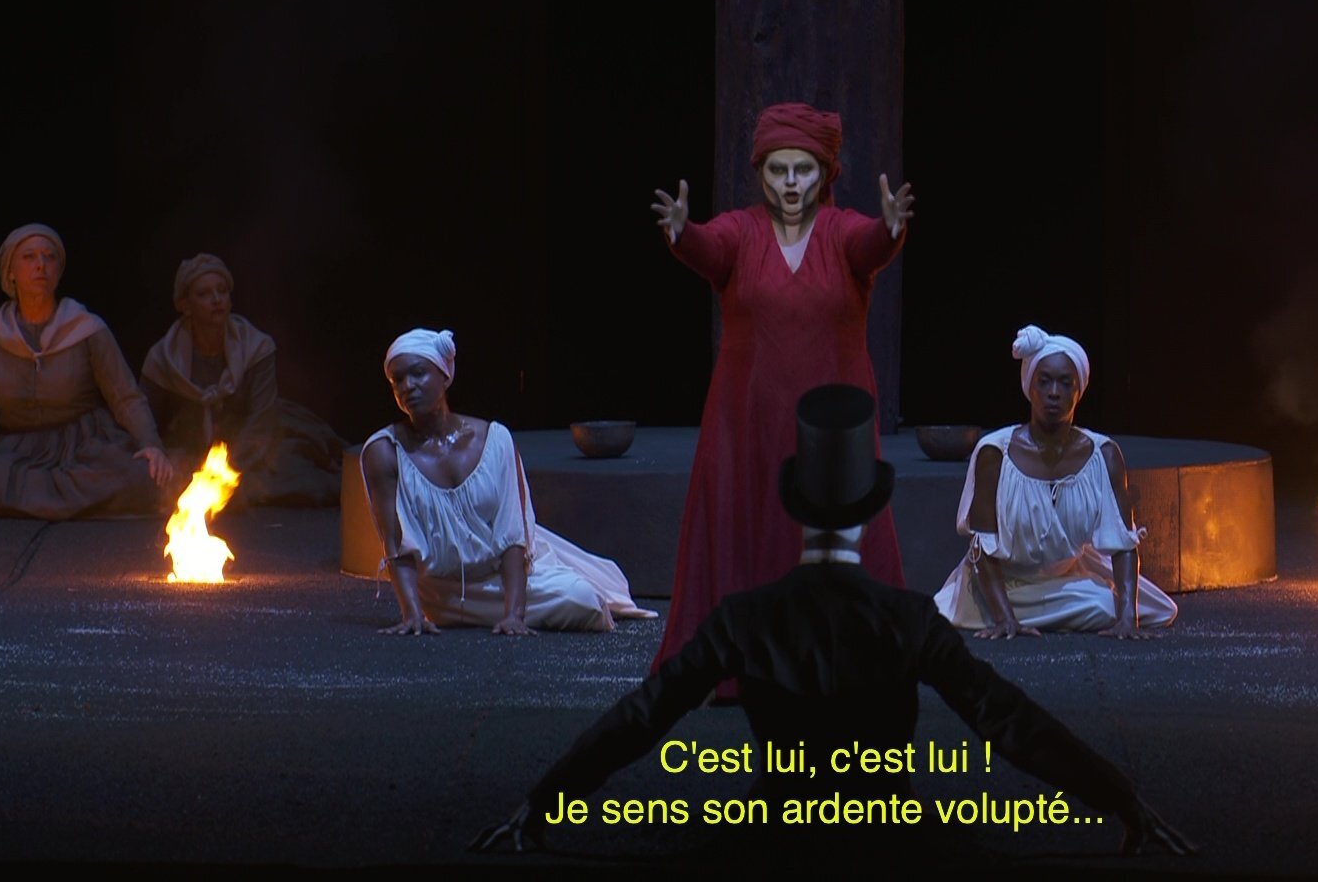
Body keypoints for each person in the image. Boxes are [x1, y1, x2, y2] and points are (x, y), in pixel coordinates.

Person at [469, 384, 1198, 861]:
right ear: (871, 510)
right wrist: (1119, 798)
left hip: (773, 842)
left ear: (796, 508)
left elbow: (644, 715)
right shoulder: (906, 618)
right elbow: (1007, 719)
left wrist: (543, 800)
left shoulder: (746, 617)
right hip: (889, 844)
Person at [649, 101, 913, 679]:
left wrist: (889, 230)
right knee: (749, 524)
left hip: (830, 423)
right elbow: (709, 249)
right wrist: (683, 234)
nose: (791, 183)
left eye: (803, 170)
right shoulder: (741, 231)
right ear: (760, 172)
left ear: (826, 173)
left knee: (832, 531)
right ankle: (743, 658)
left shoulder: (841, 232)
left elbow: (869, 245)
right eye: (778, 170)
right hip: (748, 418)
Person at [360, 328, 655, 635]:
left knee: (584, 600)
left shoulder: (493, 439)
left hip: (499, 577)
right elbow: (395, 541)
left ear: (444, 376)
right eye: (397, 380)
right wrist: (412, 614)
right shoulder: (384, 451)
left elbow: (512, 532)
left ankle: (514, 603)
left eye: (418, 373)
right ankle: (473, 611)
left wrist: (514, 614)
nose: (408, 386)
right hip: (442, 594)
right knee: (578, 601)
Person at [934, 325, 1178, 638]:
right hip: (1002, 586)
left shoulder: (1103, 454)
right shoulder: (995, 452)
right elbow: (982, 546)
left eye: (1065, 383)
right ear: (1029, 386)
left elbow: (1123, 543)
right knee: (964, 610)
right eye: (1044, 381)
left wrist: (1127, 619)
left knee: (1115, 606)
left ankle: (1054, 613)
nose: (1054, 392)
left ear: (1079, 389)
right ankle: (1009, 615)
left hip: (1066, 583)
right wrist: (1005, 619)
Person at [0, 224, 176, 519]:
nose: (41, 265)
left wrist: (151, 445)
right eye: (29, 257)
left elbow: (125, 396)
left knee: (140, 475)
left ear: (59, 271)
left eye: (49, 257)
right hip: (17, 449)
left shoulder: (86, 328)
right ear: (10, 271)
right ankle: (69, 503)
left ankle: (33, 503)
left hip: (84, 446)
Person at [140, 253, 345, 506]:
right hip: (189, 452)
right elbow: (147, 418)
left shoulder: (255, 347)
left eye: (222, 291)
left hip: (250, 452)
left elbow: (261, 419)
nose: (216, 300)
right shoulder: (164, 358)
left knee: (293, 474)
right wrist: (160, 452)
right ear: (185, 304)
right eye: (204, 294)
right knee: (149, 478)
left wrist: (224, 471)